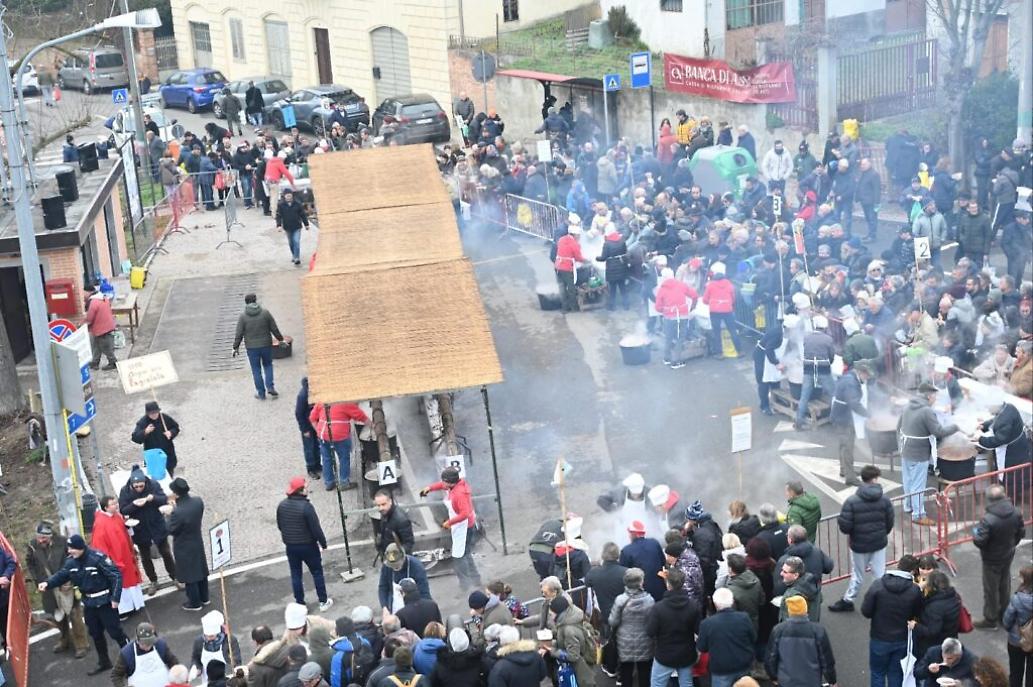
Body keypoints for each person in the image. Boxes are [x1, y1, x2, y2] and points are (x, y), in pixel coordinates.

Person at [38, 534, 129, 675]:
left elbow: (115, 576)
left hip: (105, 603)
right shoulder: (71, 563)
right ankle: (104, 662)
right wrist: (48, 583)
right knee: (95, 634)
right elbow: (62, 575)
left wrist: (115, 598)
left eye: (72, 548)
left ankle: (131, 659)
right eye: (69, 548)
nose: (69, 551)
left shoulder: (98, 558)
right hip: (90, 604)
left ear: (80, 548)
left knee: (116, 633)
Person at [830, 465, 894, 613]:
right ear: (876, 479)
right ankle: (880, 601)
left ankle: (848, 600)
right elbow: (889, 522)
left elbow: (845, 527)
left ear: (863, 479)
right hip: (879, 543)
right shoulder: (884, 500)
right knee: (879, 574)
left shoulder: (852, 501)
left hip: (859, 545)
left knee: (858, 575)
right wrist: (882, 533)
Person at [898, 381, 959, 526]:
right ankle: (918, 514)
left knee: (908, 480)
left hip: (905, 449)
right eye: (935, 396)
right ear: (929, 396)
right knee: (918, 484)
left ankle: (909, 506)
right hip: (919, 452)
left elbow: (898, 426)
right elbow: (938, 432)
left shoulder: (907, 405)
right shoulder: (926, 411)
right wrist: (957, 426)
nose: (935, 399)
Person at [25, 521, 89, 658]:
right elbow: (29, 562)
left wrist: (69, 578)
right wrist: (38, 579)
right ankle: (64, 639)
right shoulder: (33, 545)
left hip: (66, 584)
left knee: (74, 614)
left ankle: (81, 644)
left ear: (50, 536)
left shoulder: (63, 542)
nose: (40, 540)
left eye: (43, 538)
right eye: (38, 537)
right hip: (48, 587)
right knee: (57, 616)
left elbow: (73, 559)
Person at [861, 558, 924, 687]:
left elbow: (866, 611)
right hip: (901, 639)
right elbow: (918, 613)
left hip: (879, 638)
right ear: (912, 571)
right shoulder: (914, 590)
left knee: (877, 673)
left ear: (897, 565)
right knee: (895, 674)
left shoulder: (878, 585)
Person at [118, 466, 177, 597]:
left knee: (166, 552)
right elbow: (123, 510)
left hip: (156, 525)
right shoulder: (125, 491)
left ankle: (175, 577)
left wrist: (153, 498)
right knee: (145, 557)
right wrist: (134, 504)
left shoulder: (154, 485)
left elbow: (163, 499)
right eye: (136, 486)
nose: (139, 488)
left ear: (145, 481)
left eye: (141, 486)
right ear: (132, 484)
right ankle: (153, 581)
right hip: (140, 529)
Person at [419, 467, 482, 591]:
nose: (443, 484)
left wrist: (449, 522)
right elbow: (442, 486)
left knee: (459, 557)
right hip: (464, 525)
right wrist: (430, 488)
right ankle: (476, 580)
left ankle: (465, 585)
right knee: (466, 553)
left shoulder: (459, 494)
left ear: (449, 481)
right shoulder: (456, 485)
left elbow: (465, 513)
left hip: (464, 527)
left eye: (444, 481)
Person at [276, 477, 333, 612]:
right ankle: (323, 601)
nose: (308, 489)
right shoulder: (306, 507)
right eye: (306, 487)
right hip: (308, 546)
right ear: (300, 491)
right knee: (317, 572)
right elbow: (316, 529)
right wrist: (323, 544)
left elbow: (280, 525)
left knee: (296, 574)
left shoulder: (282, 506)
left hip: (291, 546)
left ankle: (300, 603)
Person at [973, 484, 1026, 628]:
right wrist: (1012, 544)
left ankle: (991, 619)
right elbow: (1021, 532)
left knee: (991, 589)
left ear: (989, 499)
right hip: (1008, 554)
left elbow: (979, 541)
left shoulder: (988, 519)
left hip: (991, 559)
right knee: (1005, 584)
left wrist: (975, 531)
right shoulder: (1016, 512)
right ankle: (1004, 614)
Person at [90, 496, 146, 617]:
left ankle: (134, 604)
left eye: (116, 503)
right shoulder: (100, 524)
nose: (116, 506)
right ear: (105, 507)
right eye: (113, 504)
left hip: (125, 555)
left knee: (129, 582)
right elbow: (99, 546)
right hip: (115, 559)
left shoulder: (117, 516)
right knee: (121, 584)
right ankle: (124, 610)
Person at [765, 596, 837, 687]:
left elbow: (770, 659)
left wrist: (774, 677)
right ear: (805, 610)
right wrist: (832, 680)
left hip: (786, 682)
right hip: (811, 682)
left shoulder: (778, 630)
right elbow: (827, 661)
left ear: (789, 611)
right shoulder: (818, 631)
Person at [645, 567, 699, 687]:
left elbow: (650, 632)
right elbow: (698, 630)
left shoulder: (658, 608)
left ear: (668, 584)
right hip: (687, 654)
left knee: (657, 684)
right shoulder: (693, 606)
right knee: (686, 683)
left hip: (664, 655)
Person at [698, 588, 756, 687]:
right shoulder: (744, 618)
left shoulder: (707, 624)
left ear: (715, 603)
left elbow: (702, 647)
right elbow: (753, 638)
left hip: (721, 669)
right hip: (743, 665)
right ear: (732, 601)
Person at [167, 477, 210, 611]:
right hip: (196, 540)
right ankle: (205, 597)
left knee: (190, 575)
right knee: (201, 571)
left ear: (176, 493)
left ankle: (194, 603)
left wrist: (168, 514)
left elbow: (170, 529)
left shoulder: (178, 512)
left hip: (183, 545)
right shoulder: (197, 502)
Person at [608, 567, 655, 687]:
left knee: (626, 673)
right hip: (645, 641)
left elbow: (612, 622)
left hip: (625, 642)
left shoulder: (620, 600)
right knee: (644, 673)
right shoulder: (649, 600)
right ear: (640, 582)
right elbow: (652, 622)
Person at [232, 294, 284, 400]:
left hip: (252, 348)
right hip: (266, 345)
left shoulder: (243, 317)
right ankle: (270, 386)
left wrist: (235, 347)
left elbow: (239, 334)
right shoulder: (265, 313)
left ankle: (261, 393)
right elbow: (274, 328)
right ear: (256, 301)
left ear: (246, 303)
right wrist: (281, 340)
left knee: (256, 370)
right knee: (268, 365)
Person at [308, 401, 369, 491]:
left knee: (326, 458)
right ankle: (344, 482)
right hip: (340, 435)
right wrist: (372, 424)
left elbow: (312, 418)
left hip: (323, 435)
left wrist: (318, 431)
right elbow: (360, 416)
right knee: (344, 458)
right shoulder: (345, 402)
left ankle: (329, 482)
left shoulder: (321, 401)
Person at [795, 314, 836, 430]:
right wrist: (829, 362)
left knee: (804, 396)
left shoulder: (807, 337)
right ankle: (834, 419)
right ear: (825, 328)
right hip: (823, 369)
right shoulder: (828, 339)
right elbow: (831, 356)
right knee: (833, 394)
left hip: (808, 368)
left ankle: (799, 420)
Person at [911, 570, 962, 658]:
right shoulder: (953, 596)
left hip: (932, 646)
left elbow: (932, 631)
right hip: (948, 637)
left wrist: (915, 626)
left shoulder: (935, 608)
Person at [547, 595, 596, 687]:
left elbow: (573, 656)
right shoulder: (571, 617)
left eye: (551, 614)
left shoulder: (569, 631)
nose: (550, 616)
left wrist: (553, 651)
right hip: (584, 663)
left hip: (579, 671)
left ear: (559, 613)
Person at [111, 622, 178, 687]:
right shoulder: (127, 653)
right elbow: (116, 675)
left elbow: (173, 663)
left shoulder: (160, 645)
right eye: (143, 644)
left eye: (150, 643)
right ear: (137, 640)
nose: (147, 647)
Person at [188, 610, 242, 684]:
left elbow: (237, 660)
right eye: (206, 636)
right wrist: (196, 668)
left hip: (227, 679)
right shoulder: (199, 641)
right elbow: (195, 658)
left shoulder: (229, 640)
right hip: (207, 679)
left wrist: (235, 667)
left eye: (211, 636)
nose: (208, 638)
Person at [130, 401, 181, 477]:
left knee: (169, 475)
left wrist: (171, 432)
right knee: (154, 477)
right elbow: (135, 437)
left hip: (168, 453)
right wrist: (145, 432)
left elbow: (176, 428)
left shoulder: (164, 418)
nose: (154, 415)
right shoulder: (143, 422)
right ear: (147, 413)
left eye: (156, 412)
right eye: (151, 413)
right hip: (153, 455)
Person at [619, 521, 666, 602]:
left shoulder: (626, 551)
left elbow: (624, 575)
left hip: (640, 596)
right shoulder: (654, 543)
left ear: (633, 534)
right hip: (660, 591)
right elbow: (663, 562)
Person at [378, 543, 431, 613]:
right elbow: (383, 588)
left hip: (416, 607)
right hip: (395, 607)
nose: (395, 568)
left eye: (397, 565)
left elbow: (424, 594)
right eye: (392, 566)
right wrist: (385, 608)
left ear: (403, 557)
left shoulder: (416, 567)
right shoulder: (386, 567)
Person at [1003, 566, 1033, 687]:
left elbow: (1007, 620)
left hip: (1017, 641)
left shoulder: (1017, 599)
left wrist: (1010, 629)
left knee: (1016, 672)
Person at [553, 218, 587, 313]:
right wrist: (587, 261)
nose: (579, 237)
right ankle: (574, 307)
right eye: (579, 235)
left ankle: (564, 308)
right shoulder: (574, 244)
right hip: (567, 268)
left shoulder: (561, 239)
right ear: (575, 235)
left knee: (562, 288)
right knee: (571, 288)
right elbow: (578, 257)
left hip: (558, 266)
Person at [776, 556, 821, 622]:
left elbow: (786, 620)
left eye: (785, 572)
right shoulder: (813, 583)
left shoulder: (791, 596)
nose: (781, 573)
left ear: (795, 575)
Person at [85, 284, 118, 370]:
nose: (83, 295)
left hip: (102, 328)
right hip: (106, 325)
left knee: (105, 347)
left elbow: (90, 317)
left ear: (88, 292)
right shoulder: (103, 298)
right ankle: (95, 362)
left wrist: (84, 323)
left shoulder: (93, 302)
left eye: (84, 293)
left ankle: (113, 362)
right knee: (96, 345)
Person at [374, 489, 415, 556]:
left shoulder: (401, 520)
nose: (380, 508)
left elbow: (409, 543)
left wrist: (395, 556)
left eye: (383, 504)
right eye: (378, 505)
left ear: (390, 501)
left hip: (399, 560)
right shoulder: (385, 512)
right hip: (387, 556)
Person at [276, 189, 310, 266]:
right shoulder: (281, 205)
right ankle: (294, 255)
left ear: (292, 195)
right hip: (287, 227)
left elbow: (303, 215)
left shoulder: (297, 204)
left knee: (296, 241)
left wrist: (306, 224)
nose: (288, 197)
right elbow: (278, 216)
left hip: (297, 226)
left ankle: (296, 258)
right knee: (291, 243)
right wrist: (279, 225)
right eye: (287, 195)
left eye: (290, 195)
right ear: (284, 196)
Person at [295, 377, 321, 480]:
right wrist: (304, 429)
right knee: (309, 447)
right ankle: (311, 468)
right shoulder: (303, 395)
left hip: (315, 424)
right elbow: (299, 413)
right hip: (307, 426)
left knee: (316, 445)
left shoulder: (309, 393)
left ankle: (317, 464)